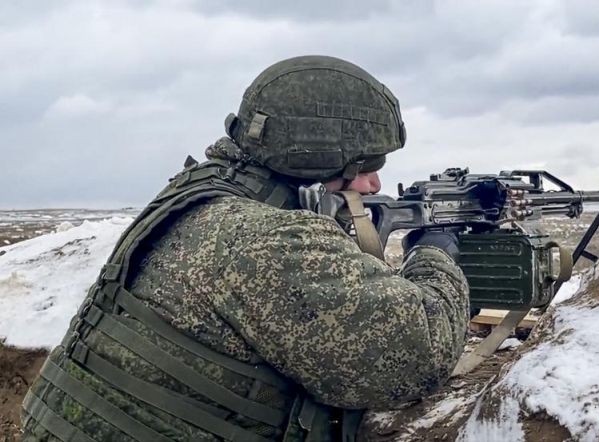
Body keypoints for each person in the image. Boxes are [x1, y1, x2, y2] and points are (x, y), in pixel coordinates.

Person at [20, 55, 470, 441]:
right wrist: (435, 252)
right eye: (366, 165)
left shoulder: (201, 191)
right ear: (318, 157)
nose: (374, 183)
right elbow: (415, 360)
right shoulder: (267, 239)